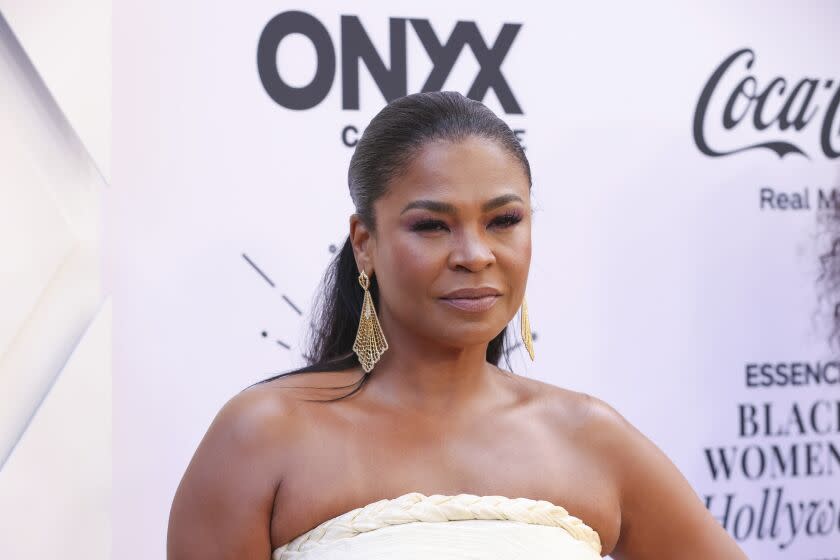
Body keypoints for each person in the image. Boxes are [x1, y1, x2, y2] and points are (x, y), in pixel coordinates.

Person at [166, 91, 749, 559]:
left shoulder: (587, 435)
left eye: (503, 220)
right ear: (364, 244)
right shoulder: (264, 434)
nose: (475, 253)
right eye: (432, 226)